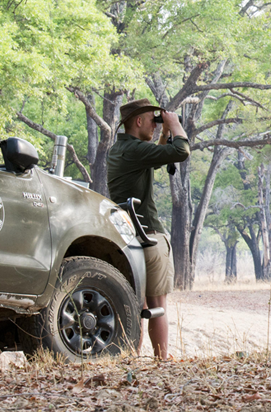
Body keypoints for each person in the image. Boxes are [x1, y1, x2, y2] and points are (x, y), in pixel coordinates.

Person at [107, 98, 190, 360]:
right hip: (149, 235)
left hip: (125, 237)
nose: (155, 127)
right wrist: (175, 125)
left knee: (135, 306)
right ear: (139, 121)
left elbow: (153, 158)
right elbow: (182, 152)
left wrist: (163, 133)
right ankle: (161, 362)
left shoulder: (121, 150)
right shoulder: (135, 151)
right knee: (158, 307)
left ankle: (132, 357)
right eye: (151, 122)